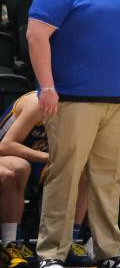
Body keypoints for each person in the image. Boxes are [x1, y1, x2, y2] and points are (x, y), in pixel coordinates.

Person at [26, 0, 120, 268]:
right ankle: (50, 253)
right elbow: (36, 35)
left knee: (108, 179)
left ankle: (108, 252)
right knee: (66, 175)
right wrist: (47, 86)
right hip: (74, 99)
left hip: (116, 101)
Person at [0, 92, 91, 268]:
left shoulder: (80, 105)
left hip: (39, 158)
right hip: (8, 156)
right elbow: (5, 146)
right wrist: (51, 158)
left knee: (83, 170)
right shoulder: (38, 103)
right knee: (20, 167)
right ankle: (11, 244)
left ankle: (69, 241)